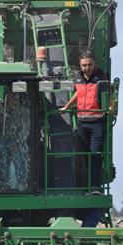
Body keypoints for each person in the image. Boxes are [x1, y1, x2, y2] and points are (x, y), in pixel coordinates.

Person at [59, 51, 107, 227]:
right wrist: (67, 107)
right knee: (81, 155)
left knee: (94, 155)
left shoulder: (102, 78)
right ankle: (84, 187)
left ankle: (94, 188)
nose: (87, 68)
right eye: (84, 65)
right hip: (82, 122)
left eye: (90, 65)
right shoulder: (78, 78)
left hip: (96, 123)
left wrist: (108, 108)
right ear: (80, 65)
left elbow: (110, 96)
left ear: (94, 65)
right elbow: (78, 95)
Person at [0, 90, 30, 191]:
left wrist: (17, 142)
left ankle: (21, 183)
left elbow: (26, 130)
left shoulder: (23, 110)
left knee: (19, 153)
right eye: (7, 98)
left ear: (16, 98)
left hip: (19, 141)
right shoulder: (1, 110)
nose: (9, 101)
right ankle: (2, 183)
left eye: (11, 98)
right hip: (3, 140)